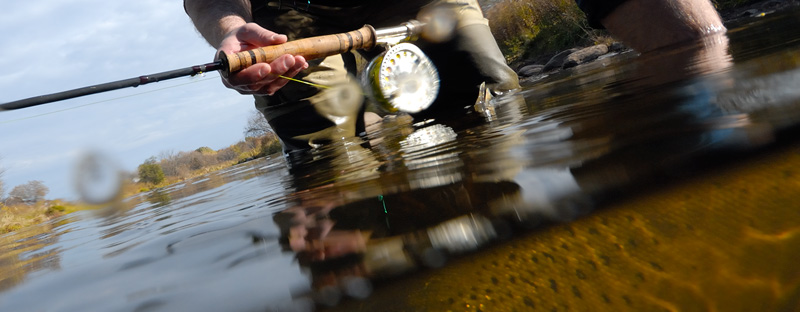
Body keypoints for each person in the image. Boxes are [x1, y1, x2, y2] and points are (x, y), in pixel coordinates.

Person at [184, 0, 725, 156]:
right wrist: (232, 29)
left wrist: (696, 49)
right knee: (326, 158)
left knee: (492, 97)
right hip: (283, 18)